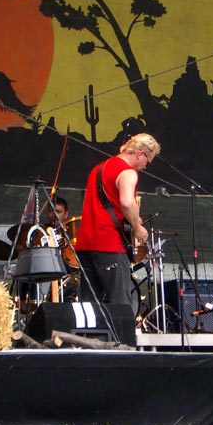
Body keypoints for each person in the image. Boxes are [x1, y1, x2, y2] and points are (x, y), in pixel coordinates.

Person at [75, 133, 160, 340]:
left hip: (85, 243)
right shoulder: (128, 172)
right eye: (147, 161)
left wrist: (132, 219)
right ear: (140, 154)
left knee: (88, 302)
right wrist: (137, 228)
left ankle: (86, 345)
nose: (145, 166)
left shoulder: (98, 169)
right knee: (120, 302)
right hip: (109, 245)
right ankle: (123, 348)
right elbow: (127, 203)